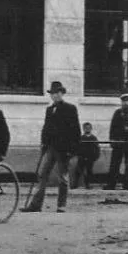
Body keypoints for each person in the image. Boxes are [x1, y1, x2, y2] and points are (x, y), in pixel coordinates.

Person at [23, 80, 80, 213]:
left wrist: (72, 150)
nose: (55, 96)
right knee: (42, 175)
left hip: (64, 150)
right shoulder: (49, 110)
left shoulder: (70, 109)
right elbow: (46, 128)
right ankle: (36, 205)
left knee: (63, 178)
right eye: (53, 93)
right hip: (50, 148)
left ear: (62, 94)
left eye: (57, 93)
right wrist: (43, 142)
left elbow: (75, 131)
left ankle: (61, 205)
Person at [105, 92, 128, 191]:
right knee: (114, 164)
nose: (126, 103)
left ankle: (127, 184)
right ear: (122, 102)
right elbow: (113, 127)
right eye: (124, 101)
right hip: (118, 142)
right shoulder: (117, 113)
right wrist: (112, 140)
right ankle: (111, 184)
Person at [68, 122, 101, 189]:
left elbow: (97, 148)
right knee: (78, 171)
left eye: (88, 128)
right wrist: (78, 155)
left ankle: (88, 185)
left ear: (91, 129)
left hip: (90, 158)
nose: (87, 129)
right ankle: (75, 185)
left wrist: (95, 157)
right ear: (83, 129)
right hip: (82, 157)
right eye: (86, 128)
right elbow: (77, 147)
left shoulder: (94, 138)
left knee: (89, 172)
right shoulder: (81, 138)